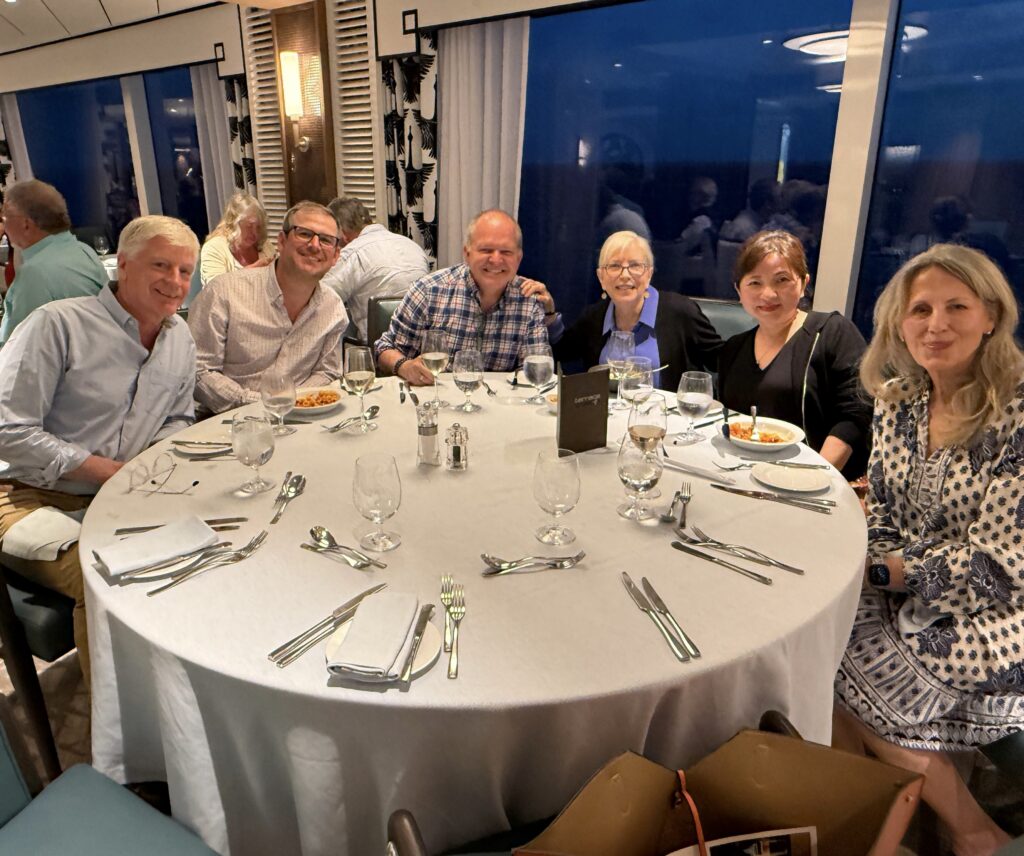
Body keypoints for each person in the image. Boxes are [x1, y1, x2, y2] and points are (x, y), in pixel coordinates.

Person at [834, 244, 1024, 856]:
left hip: (999, 613)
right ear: (899, 322)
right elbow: (885, 514)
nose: (935, 324)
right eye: (920, 309)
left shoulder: (1017, 413)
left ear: (991, 315)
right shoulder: (898, 403)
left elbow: (1000, 566)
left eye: (956, 306)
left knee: (851, 671)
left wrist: (886, 573)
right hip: (910, 586)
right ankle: (869, 829)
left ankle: (972, 831)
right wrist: (881, 571)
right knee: (818, 634)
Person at [0, 215, 199, 686]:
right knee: (108, 579)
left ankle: (186, 695)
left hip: (119, 495)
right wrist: (110, 472)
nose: (175, 282)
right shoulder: (58, 325)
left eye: (185, 271)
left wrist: (153, 473)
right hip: (24, 496)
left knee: (210, 550)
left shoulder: (179, 339)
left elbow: (177, 420)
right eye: (161, 265)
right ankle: (119, 740)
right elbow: (7, 429)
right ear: (122, 264)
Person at [717, 230, 871, 478]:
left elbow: (855, 416)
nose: (768, 294)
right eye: (755, 282)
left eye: (782, 280)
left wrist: (813, 476)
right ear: (739, 290)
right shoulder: (734, 349)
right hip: (749, 479)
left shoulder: (831, 332)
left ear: (803, 284)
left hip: (820, 483)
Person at [188, 201, 347, 413]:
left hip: (303, 420)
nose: (315, 245)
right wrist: (259, 402)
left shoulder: (333, 308)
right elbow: (199, 370)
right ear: (281, 241)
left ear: (336, 256)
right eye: (304, 234)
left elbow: (327, 373)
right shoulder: (224, 292)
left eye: (326, 240)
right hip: (231, 423)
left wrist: (295, 402)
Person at [375, 209, 554, 383]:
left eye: (506, 252)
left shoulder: (529, 302)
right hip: (435, 401)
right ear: (467, 254)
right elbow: (384, 348)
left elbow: (534, 375)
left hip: (497, 407)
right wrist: (404, 366)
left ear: (519, 258)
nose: (496, 260)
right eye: (486, 250)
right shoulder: (429, 291)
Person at [542, 230, 721, 392]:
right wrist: (549, 315)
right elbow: (560, 352)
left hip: (667, 423)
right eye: (614, 266)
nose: (625, 275)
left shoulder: (681, 312)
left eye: (635, 265)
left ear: (649, 274)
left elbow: (722, 361)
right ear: (601, 278)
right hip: (607, 420)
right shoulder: (594, 317)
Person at [0, 179, 107, 346]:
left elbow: (17, 349)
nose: (3, 225)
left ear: (25, 224)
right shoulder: (83, 250)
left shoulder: (34, 274)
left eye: (4, 217)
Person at [321, 197, 430, 342]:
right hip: (422, 342)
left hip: (379, 349)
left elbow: (322, 300)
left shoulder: (353, 254)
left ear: (342, 234)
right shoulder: (411, 245)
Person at [199, 192, 275, 286]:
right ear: (234, 223)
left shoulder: (264, 245)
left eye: (258, 227)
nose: (255, 233)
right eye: (249, 226)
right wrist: (253, 270)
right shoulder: (213, 248)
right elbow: (216, 288)